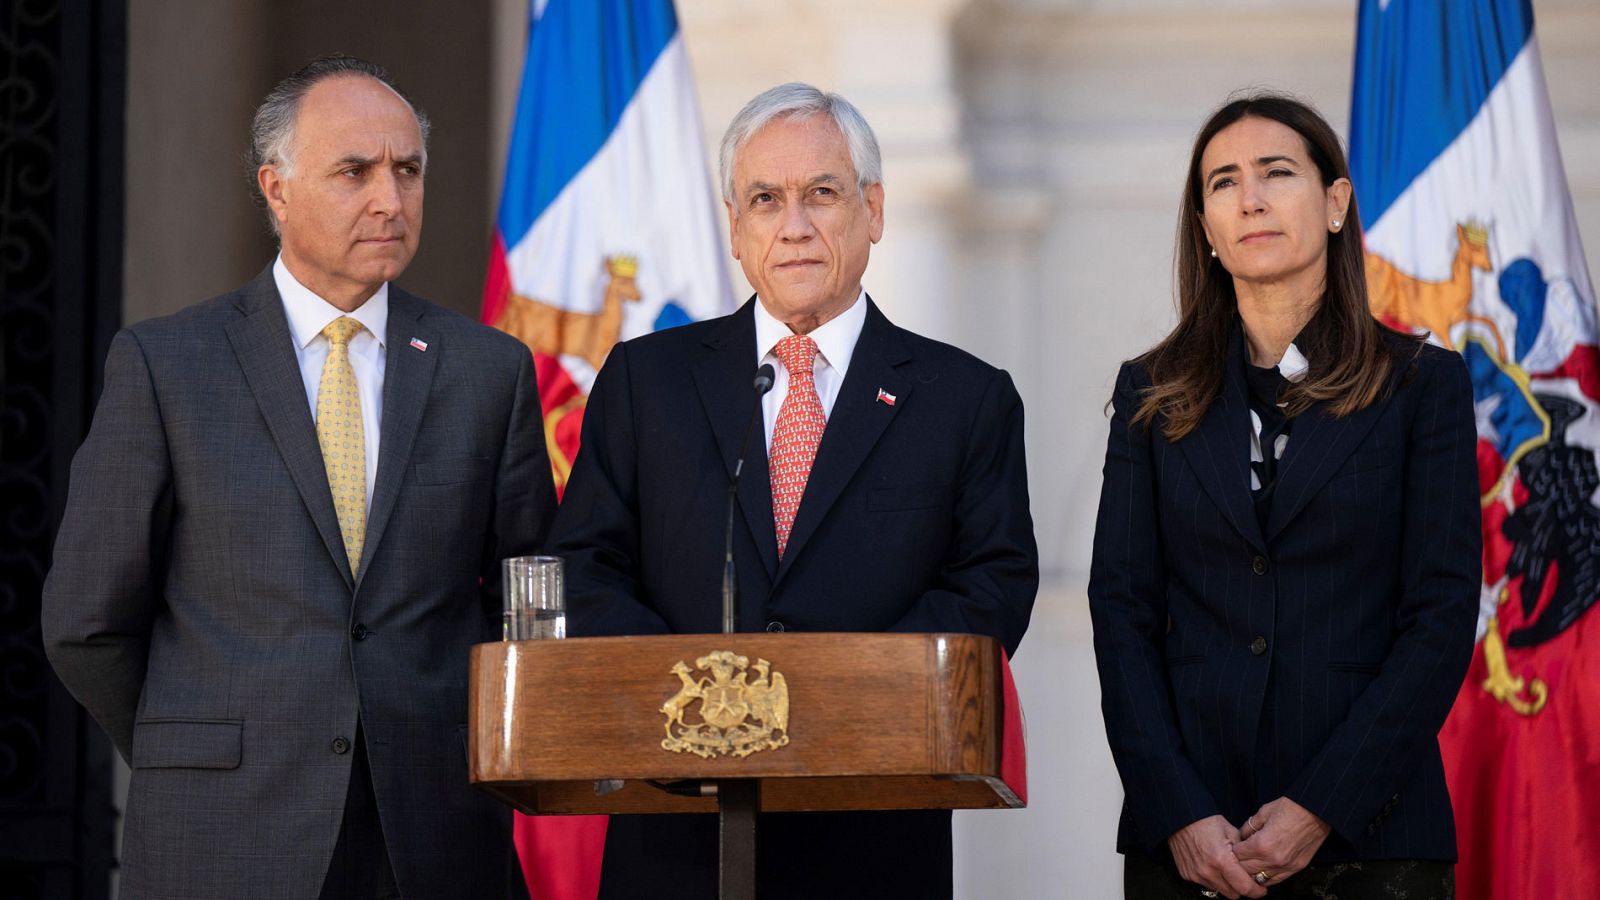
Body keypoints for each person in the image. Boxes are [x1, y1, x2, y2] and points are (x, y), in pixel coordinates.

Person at [42, 55, 554, 900]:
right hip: (223, 830)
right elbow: (86, 621)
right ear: (276, 189)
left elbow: (527, 601)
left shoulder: (488, 371)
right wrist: (201, 742)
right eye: (354, 171)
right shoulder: (168, 365)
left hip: (433, 836)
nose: (390, 199)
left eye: (408, 170)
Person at [548, 82, 1039, 899]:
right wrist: (690, 697)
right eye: (766, 200)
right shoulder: (647, 381)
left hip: (874, 829)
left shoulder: (965, 398)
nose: (796, 224)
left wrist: (831, 700)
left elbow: (991, 588)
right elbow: (585, 567)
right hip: (675, 830)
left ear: (873, 211)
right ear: (736, 229)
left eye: (823, 194)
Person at [1088, 93, 1480, 900]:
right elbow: (1120, 613)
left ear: (1335, 202)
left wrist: (1319, 808)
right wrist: (1177, 811)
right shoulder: (1150, 392)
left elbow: (1438, 620)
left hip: (1374, 839)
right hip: (1192, 842)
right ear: (1206, 224)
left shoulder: (1422, 386)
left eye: (1276, 173)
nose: (1251, 199)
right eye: (1224, 182)